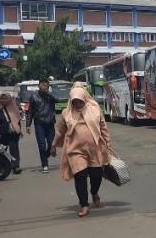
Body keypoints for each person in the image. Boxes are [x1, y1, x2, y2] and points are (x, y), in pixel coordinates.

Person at [53, 88, 111, 218]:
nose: (77, 104)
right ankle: (84, 204)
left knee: (97, 175)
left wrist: (107, 141)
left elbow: (103, 126)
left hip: (94, 149)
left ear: (85, 99)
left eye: (79, 101)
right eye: (74, 102)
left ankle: (94, 192)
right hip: (75, 150)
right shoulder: (66, 113)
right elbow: (59, 131)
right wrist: (53, 145)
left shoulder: (95, 109)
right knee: (80, 177)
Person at [26, 78, 57, 173]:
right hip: (39, 123)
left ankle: (46, 155)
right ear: (39, 85)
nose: (44, 86)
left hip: (50, 123)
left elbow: (58, 100)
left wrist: (49, 94)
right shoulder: (33, 97)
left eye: (46, 85)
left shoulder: (50, 97)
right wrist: (28, 124)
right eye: (42, 85)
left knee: (51, 144)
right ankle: (45, 165)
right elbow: (30, 111)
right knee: (41, 145)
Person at [0, 93, 23, 174]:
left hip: (13, 132)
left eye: (6, 99)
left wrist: (19, 130)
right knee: (1, 150)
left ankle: (15, 166)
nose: (4, 100)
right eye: (2, 99)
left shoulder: (13, 107)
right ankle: (1, 166)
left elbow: (17, 120)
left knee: (14, 149)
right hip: (3, 132)